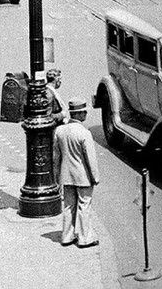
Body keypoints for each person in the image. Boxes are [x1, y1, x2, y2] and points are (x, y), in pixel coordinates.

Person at [53, 98, 99, 248]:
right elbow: (90, 158)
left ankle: (66, 236)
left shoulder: (60, 131)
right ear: (79, 114)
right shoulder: (84, 133)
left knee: (68, 206)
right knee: (84, 206)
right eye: (84, 112)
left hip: (66, 176)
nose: (85, 114)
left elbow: (56, 157)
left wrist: (57, 177)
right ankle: (85, 238)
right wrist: (95, 177)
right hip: (83, 176)